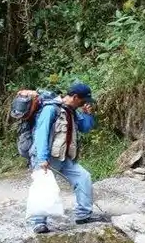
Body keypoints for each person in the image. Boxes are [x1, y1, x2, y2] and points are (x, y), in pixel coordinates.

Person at [28, 82, 110, 234]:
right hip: (47, 157)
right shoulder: (51, 109)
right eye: (83, 100)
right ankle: (38, 222)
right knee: (43, 186)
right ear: (74, 97)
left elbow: (85, 128)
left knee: (83, 177)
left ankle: (83, 215)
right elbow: (41, 134)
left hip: (64, 158)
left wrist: (87, 114)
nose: (84, 103)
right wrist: (42, 158)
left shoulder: (72, 111)